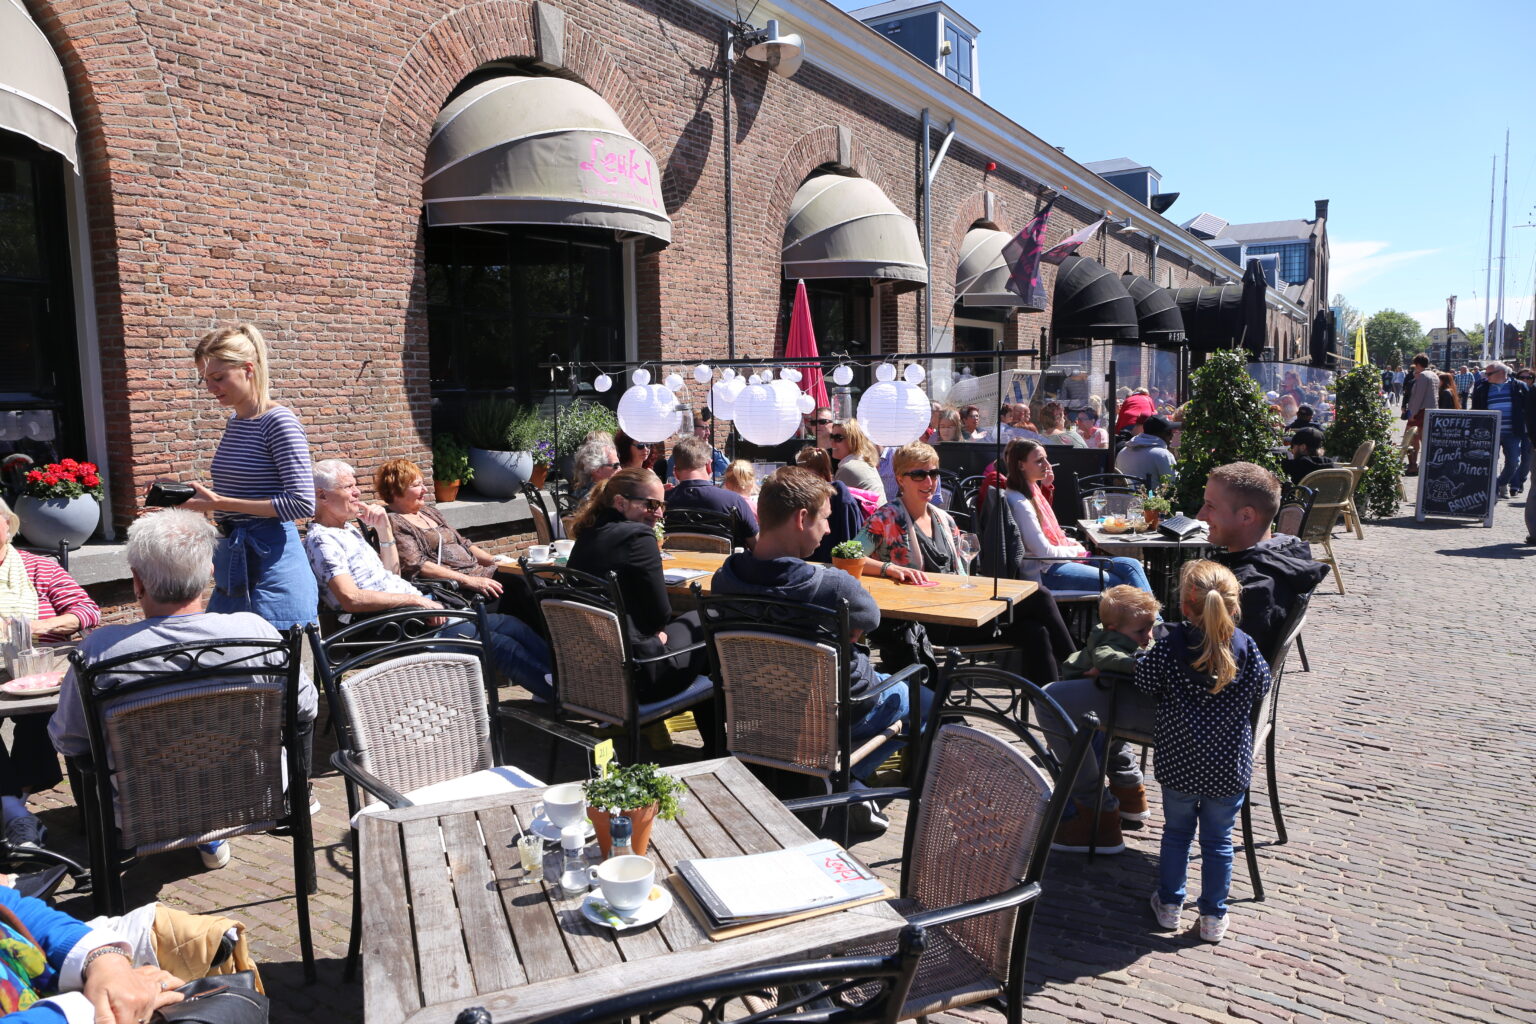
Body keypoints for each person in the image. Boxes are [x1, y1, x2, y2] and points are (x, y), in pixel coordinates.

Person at [50, 509, 319, 870]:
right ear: (210, 574)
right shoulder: (255, 632)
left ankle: (124, 856)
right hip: (253, 795)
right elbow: (306, 707)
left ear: (137, 581)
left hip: (144, 809)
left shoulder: (101, 651)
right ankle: (235, 828)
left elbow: (69, 740)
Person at [710, 467, 935, 832]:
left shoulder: (725, 579)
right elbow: (870, 619)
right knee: (927, 700)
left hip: (758, 702)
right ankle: (849, 779)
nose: (829, 530)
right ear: (802, 518)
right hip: (839, 705)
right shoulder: (832, 587)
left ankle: (846, 782)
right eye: (825, 519)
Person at [304, 460, 552, 699]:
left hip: (409, 614)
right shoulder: (323, 540)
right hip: (387, 625)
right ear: (322, 496)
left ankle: (566, 680)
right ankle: (559, 697)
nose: (357, 492)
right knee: (499, 645)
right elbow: (351, 598)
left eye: (355, 485)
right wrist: (416, 601)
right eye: (348, 487)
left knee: (511, 625)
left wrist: (383, 530)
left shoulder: (347, 530)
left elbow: (392, 576)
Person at [1140, 560, 1271, 944]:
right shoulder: (1245, 646)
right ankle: (1213, 916)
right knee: (1218, 842)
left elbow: (1145, 682)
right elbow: (1263, 687)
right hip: (1227, 766)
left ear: (1184, 606)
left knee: (1177, 835)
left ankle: (1169, 905)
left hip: (1179, 763)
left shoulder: (1169, 647)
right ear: (1234, 606)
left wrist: (1141, 657)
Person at [182, 323, 318, 628]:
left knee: (268, 657)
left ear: (248, 369)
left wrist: (219, 503)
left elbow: (302, 503)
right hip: (235, 561)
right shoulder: (236, 421)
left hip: (272, 567)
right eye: (205, 380)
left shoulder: (279, 422)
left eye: (218, 378)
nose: (211, 388)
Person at [0, 499, 100, 852]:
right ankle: (15, 812)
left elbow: (87, 612)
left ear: (8, 524)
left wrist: (34, 627)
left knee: (41, 717)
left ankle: (15, 805)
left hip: (40, 673)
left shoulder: (38, 567)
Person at [565, 469, 710, 702]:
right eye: (652, 505)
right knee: (705, 617)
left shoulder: (587, 533)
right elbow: (659, 616)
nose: (659, 513)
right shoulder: (638, 536)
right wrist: (657, 634)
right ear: (621, 503)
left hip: (593, 667)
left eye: (663, 505)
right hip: (639, 675)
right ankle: (716, 719)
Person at [0, 881, 188, 1023]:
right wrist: (92, 1010)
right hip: (69, 1011)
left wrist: (105, 959)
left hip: (56, 975)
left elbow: (11, 903)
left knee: (186, 934)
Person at [1198, 462, 1329, 658]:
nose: (1201, 515)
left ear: (1246, 516)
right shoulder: (1283, 556)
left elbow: (1220, 662)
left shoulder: (1251, 587)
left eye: (1210, 506)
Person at [1004, 440, 1153, 595]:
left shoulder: (1032, 490)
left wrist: (1070, 544)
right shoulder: (1021, 503)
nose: (1047, 465)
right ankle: (1150, 611)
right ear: (1021, 465)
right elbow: (1044, 553)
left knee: (1132, 565)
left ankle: (1151, 611)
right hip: (1045, 571)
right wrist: (1075, 550)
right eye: (1039, 461)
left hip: (1056, 563)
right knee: (1118, 583)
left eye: (1046, 459)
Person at [375, 458, 507, 602]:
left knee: (522, 575)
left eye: (423, 484)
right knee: (519, 586)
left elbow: (463, 543)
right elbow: (417, 565)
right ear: (395, 490)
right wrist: (469, 581)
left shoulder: (428, 512)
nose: (425, 489)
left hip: (480, 573)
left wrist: (496, 560)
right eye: (417, 485)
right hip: (457, 586)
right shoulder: (393, 521)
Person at [666, 437, 758, 549]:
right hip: (726, 560)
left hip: (674, 560)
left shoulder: (661, 503)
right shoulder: (734, 501)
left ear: (675, 472)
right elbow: (757, 547)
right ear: (709, 466)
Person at [1059, 584, 1160, 682]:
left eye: (1150, 628)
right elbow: (1105, 657)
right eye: (1140, 631)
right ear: (1113, 629)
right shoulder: (1107, 643)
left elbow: (1159, 626)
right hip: (1077, 681)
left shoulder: (1136, 626)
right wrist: (1136, 665)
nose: (1149, 636)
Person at [1470, 361, 1530, 498]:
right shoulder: (1482, 387)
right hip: (1488, 433)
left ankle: (1499, 484)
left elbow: (1529, 408)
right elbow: (1475, 409)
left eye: (1489, 373)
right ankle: (1494, 489)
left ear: (1502, 373)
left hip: (1512, 432)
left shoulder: (1519, 386)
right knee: (1488, 462)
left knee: (1514, 462)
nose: (1486, 376)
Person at [1115, 414, 1178, 489]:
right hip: (1150, 496)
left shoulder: (1123, 451)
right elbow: (1173, 485)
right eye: (1169, 432)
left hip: (1123, 495)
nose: (1172, 436)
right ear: (1163, 433)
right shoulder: (1163, 455)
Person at [828, 419, 884, 493]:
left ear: (853, 441)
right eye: (831, 437)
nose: (832, 443)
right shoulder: (864, 461)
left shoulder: (848, 468)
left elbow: (834, 499)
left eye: (838, 438)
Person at [1403, 354, 1437, 474]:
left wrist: (1412, 413)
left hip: (1419, 412)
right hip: (1430, 411)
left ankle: (1413, 465)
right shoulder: (1434, 375)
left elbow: (1418, 397)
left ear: (1417, 364)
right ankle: (1427, 465)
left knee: (1410, 438)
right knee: (1424, 439)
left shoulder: (1423, 375)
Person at [570, 439, 620, 506]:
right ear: (597, 470)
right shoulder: (596, 499)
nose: (620, 469)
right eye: (616, 466)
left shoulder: (583, 490)